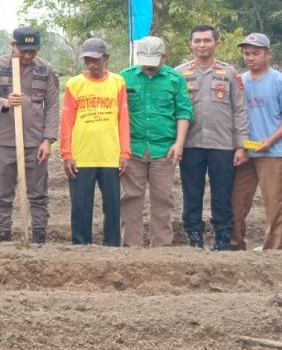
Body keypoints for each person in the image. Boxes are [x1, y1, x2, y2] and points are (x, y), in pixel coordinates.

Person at [0, 27, 59, 244]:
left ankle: (39, 238)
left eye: (32, 51)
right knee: (3, 192)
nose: (27, 56)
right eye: (23, 51)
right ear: (13, 45)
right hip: (4, 142)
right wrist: (4, 102)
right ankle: (4, 237)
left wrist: (48, 140)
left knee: (38, 194)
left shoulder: (46, 69)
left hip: (35, 142)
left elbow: (52, 106)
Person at [175, 26, 249, 250]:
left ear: (217, 43)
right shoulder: (178, 74)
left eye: (207, 40)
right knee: (192, 193)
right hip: (191, 145)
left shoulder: (229, 74)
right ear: (191, 44)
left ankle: (223, 237)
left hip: (222, 145)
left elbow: (240, 111)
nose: (202, 45)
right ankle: (194, 236)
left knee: (222, 194)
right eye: (197, 41)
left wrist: (241, 146)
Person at [120, 36, 193, 248]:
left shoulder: (175, 79)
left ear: (164, 57)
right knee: (131, 197)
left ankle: (162, 248)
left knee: (163, 199)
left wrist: (179, 143)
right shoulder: (124, 78)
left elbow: (183, 111)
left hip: (164, 150)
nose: (148, 67)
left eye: (154, 61)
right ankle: (130, 245)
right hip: (133, 148)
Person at [231, 33, 282, 251]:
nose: (250, 58)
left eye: (256, 53)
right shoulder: (239, 81)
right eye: (247, 53)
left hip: (273, 153)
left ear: (268, 54)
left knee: (274, 203)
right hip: (246, 152)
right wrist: (240, 146)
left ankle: (272, 249)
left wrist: (271, 140)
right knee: (236, 202)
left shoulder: (280, 81)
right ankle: (236, 245)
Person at [60, 38, 130, 246]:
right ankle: (81, 247)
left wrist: (125, 152)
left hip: (110, 155)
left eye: (96, 60)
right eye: (88, 60)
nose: (92, 64)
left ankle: (112, 247)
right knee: (80, 206)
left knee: (112, 206)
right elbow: (67, 122)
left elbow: (123, 120)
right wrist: (67, 154)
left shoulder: (117, 82)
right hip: (82, 156)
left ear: (105, 58)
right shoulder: (74, 84)